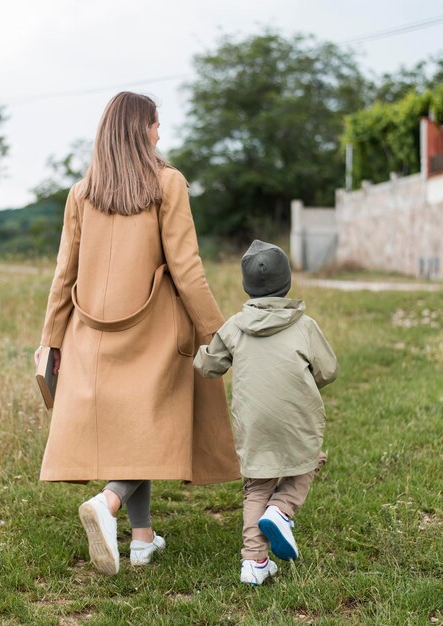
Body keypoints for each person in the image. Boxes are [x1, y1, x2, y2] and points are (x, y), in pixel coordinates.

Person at [34, 92, 239, 576]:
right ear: (137, 129)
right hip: (155, 334)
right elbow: (187, 270)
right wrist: (220, 332)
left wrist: (52, 339)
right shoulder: (168, 184)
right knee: (151, 424)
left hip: (91, 336)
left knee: (134, 431)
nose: (159, 133)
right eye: (154, 124)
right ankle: (108, 504)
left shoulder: (81, 193)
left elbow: (64, 275)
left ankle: (143, 540)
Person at [193, 240, 338, 585]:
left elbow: (207, 366)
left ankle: (254, 563)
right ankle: (281, 509)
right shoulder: (305, 326)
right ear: (287, 282)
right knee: (305, 463)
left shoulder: (233, 328)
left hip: (253, 425)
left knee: (256, 488)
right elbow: (328, 370)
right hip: (297, 418)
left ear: (247, 287)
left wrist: (195, 349)